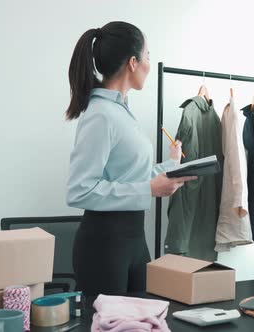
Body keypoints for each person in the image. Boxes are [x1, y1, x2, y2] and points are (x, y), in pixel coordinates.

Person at [65, 21, 195, 296]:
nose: (150, 63)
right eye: (148, 56)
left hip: (134, 240)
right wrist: (149, 189)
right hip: (104, 245)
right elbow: (79, 190)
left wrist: (171, 167)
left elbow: (130, 175)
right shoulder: (101, 114)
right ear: (133, 62)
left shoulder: (121, 112)